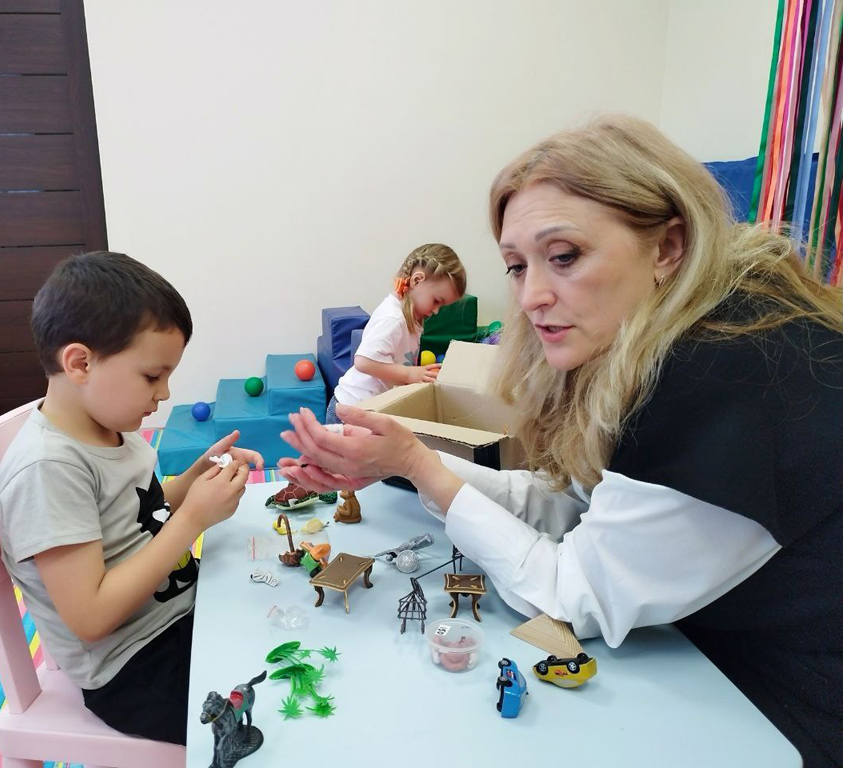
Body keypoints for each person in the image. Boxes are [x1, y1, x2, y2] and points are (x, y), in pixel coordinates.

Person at [279, 116, 843, 767]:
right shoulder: (655, 341)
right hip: (708, 655)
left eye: (565, 256)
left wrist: (420, 467)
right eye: (517, 266)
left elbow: (571, 598)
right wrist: (405, 462)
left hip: (777, 708)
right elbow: (574, 505)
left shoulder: (725, 374)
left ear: (667, 247)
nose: (532, 297)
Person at [0, 251, 261, 745]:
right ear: (80, 363)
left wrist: (196, 477)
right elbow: (90, 617)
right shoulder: (47, 469)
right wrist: (192, 520)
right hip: (135, 667)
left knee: (287, 623)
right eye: (152, 376)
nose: (165, 393)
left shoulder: (112, 428)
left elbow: (140, 513)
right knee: (278, 720)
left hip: (181, 613)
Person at [326, 243, 467, 424]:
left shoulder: (412, 318)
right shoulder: (393, 318)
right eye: (436, 301)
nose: (436, 311)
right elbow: (363, 362)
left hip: (371, 411)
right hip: (350, 410)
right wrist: (408, 374)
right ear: (417, 281)